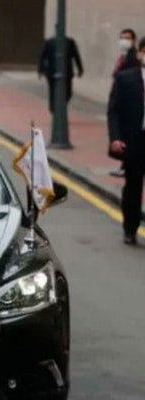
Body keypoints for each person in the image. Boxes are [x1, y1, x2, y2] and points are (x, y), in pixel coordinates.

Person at [107, 37, 145, 246]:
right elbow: (114, 110)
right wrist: (116, 137)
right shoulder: (125, 78)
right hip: (134, 140)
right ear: (140, 53)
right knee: (133, 186)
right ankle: (130, 228)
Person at [110, 28, 140, 178]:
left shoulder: (133, 59)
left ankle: (126, 165)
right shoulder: (123, 57)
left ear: (133, 40)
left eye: (127, 38)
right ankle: (125, 165)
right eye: (122, 37)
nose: (124, 41)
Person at [38, 35, 84, 114]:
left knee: (67, 93)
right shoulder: (49, 42)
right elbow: (42, 56)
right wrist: (40, 70)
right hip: (52, 72)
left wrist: (80, 69)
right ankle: (54, 110)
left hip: (66, 73)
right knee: (53, 92)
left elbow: (76, 56)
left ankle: (57, 107)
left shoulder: (70, 42)